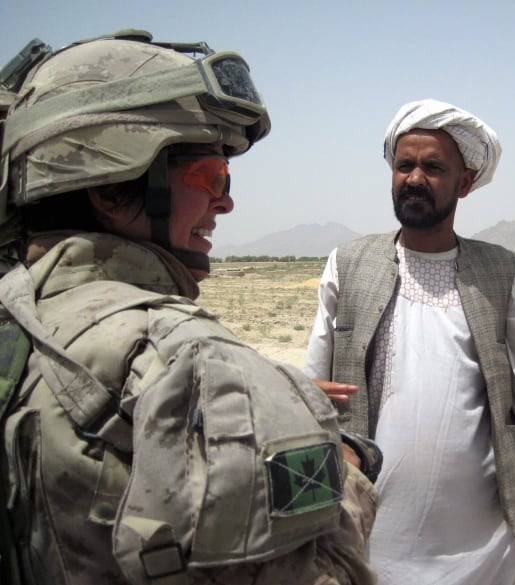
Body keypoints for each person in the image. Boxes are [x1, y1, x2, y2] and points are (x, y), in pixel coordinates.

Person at [0, 31, 379, 584]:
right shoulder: (192, 357)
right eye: (210, 176)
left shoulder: (18, 313)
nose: (226, 201)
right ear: (107, 185)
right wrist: (342, 462)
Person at [304, 99, 515, 584]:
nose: (414, 178)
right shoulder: (348, 264)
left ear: (465, 183)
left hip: (480, 537)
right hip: (370, 523)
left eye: (433, 167)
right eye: (404, 165)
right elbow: (314, 388)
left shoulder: (498, 271)